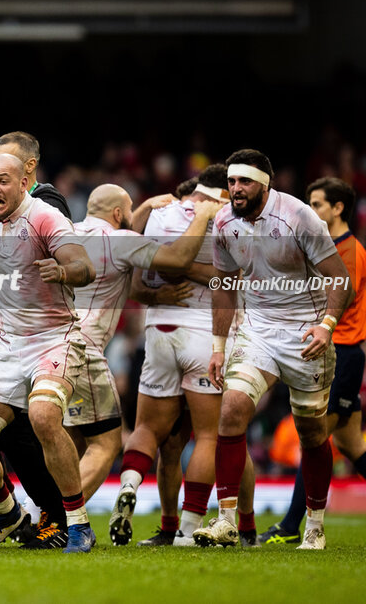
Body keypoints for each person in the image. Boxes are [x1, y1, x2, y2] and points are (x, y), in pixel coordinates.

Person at [0, 154, 98, 553]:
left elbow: (84, 266)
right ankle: (7, 511)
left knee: (43, 416)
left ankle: (78, 524)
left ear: (25, 180)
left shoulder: (44, 217)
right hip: (9, 345)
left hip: (55, 337)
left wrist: (62, 271)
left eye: (2, 181)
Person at [193, 150, 352, 550]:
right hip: (259, 330)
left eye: (244, 182)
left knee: (312, 433)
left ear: (265, 184)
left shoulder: (299, 217)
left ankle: (314, 525)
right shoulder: (224, 221)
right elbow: (225, 285)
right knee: (231, 408)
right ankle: (226, 521)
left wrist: (326, 326)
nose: (235, 189)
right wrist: (217, 347)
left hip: (306, 332)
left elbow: (340, 279)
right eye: (231, 182)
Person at [69, 182, 223, 506]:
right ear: (117, 214)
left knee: (75, 438)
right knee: (108, 444)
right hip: (88, 348)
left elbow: (132, 280)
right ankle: (59, 516)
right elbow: (179, 259)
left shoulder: (66, 231)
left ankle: (39, 511)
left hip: (46, 346)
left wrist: (153, 294)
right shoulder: (123, 241)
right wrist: (204, 215)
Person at [104, 167, 231, 546]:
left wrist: (163, 260)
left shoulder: (159, 214)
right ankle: (190, 529)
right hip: (204, 335)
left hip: (158, 332)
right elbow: (230, 281)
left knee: (150, 431)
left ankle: (130, 487)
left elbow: (132, 271)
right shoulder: (227, 219)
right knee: (209, 435)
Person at [258, 176, 366, 545]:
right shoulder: (328, 246)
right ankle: (290, 525)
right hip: (334, 351)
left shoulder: (347, 251)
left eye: (317, 204)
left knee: (314, 438)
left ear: (338, 208)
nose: (311, 211)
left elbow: (342, 297)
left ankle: (289, 526)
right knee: (352, 447)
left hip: (342, 352)